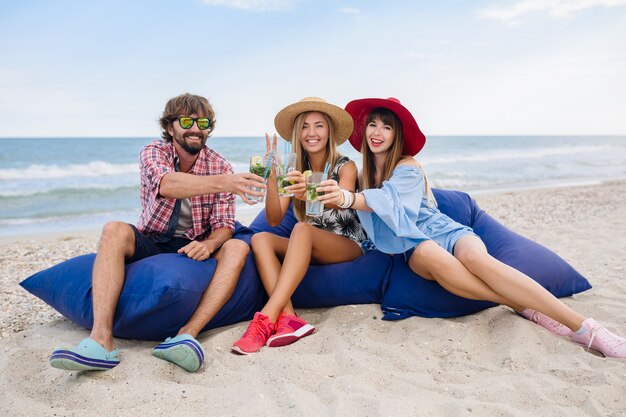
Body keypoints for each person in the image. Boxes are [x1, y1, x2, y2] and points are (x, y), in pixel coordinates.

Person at [325, 96, 626, 358]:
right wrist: (318, 190)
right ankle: (524, 305)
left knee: (476, 258)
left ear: (397, 136)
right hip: (415, 246)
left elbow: (387, 200)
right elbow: (341, 203)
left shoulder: (408, 167)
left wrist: (350, 197)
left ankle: (587, 328)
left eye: (387, 127)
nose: (378, 132)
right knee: (427, 252)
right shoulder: (363, 175)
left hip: (448, 231)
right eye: (373, 124)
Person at [49, 93, 267, 372]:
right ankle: (101, 340)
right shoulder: (154, 152)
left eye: (204, 122)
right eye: (187, 121)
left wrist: (210, 244)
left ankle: (185, 335)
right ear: (169, 127)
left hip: (193, 243)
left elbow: (224, 224)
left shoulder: (220, 164)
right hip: (151, 239)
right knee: (113, 229)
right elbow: (167, 184)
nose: (196, 129)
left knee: (238, 247)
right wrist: (226, 182)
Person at [231, 97, 370, 354]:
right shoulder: (293, 169)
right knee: (260, 239)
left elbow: (344, 200)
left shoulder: (345, 165)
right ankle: (289, 318)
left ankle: (265, 319)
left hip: (347, 244)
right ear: (298, 133)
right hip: (308, 245)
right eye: (305, 127)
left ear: (329, 131)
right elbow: (273, 219)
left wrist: (310, 193)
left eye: (319, 126)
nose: (311, 133)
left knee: (302, 228)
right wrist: (273, 178)